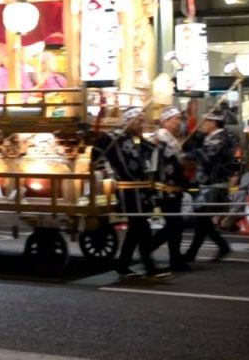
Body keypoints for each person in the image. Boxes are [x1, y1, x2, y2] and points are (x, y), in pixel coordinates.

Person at [94, 107, 171, 280]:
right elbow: (96, 153)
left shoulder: (136, 139)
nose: (141, 124)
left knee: (137, 228)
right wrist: (103, 171)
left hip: (141, 189)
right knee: (140, 227)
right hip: (127, 189)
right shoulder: (112, 137)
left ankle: (124, 265)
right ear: (128, 120)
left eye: (142, 120)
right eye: (138, 120)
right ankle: (149, 267)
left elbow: (152, 149)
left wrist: (159, 144)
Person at [183, 112, 233, 263]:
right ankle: (221, 246)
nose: (203, 124)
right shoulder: (211, 138)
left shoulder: (221, 138)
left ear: (214, 123)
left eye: (206, 121)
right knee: (203, 220)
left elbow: (207, 157)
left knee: (202, 218)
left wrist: (187, 155)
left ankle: (192, 253)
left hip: (214, 184)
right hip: (207, 183)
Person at [150, 106, 190, 271]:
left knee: (176, 225)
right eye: (176, 119)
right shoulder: (159, 139)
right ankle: (148, 248)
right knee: (174, 224)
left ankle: (175, 258)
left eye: (180, 119)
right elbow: (154, 165)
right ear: (166, 121)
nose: (179, 122)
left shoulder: (172, 141)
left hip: (175, 188)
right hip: (164, 189)